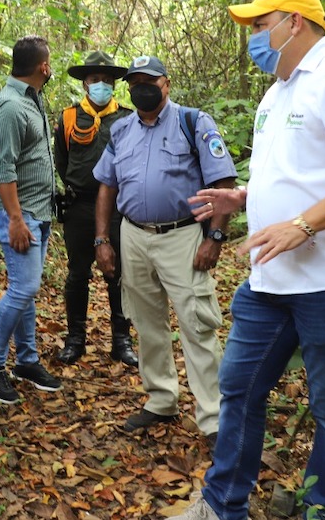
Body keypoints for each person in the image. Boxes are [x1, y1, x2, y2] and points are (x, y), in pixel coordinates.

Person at [182, 0, 325, 520]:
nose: (253, 38)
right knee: (237, 389)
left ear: (296, 24)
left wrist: (304, 225)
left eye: (260, 26)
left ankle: (323, 509)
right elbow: (298, 173)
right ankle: (222, 505)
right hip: (271, 280)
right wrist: (241, 198)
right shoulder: (277, 92)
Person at [93, 55, 236, 443]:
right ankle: (161, 399)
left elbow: (223, 182)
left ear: (166, 84)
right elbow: (107, 185)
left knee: (197, 323)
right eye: (135, 82)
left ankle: (213, 418)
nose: (142, 88)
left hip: (182, 236)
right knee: (147, 323)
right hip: (134, 236)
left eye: (150, 81)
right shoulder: (121, 130)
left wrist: (215, 238)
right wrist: (102, 239)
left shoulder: (194, 122)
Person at [0, 35, 62, 405]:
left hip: (37, 212)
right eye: (50, 61)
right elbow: (2, 166)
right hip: (17, 214)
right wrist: (15, 219)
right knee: (23, 289)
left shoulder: (32, 99)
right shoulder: (9, 106)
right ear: (43, 66)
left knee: (27, 291)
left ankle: (26, 361)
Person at [53, 50, 136, 366]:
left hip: (116, 209)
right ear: (84, 83)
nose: (100, 85)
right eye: (94, 80)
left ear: (114, 84)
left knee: (117, 273)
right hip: (79, 208)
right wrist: (77, 186)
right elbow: (62, 159)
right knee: (77, 275)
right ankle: (75, 339)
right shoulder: (69, 117)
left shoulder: (127, 118)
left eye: (106, 80)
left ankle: (121, 340)